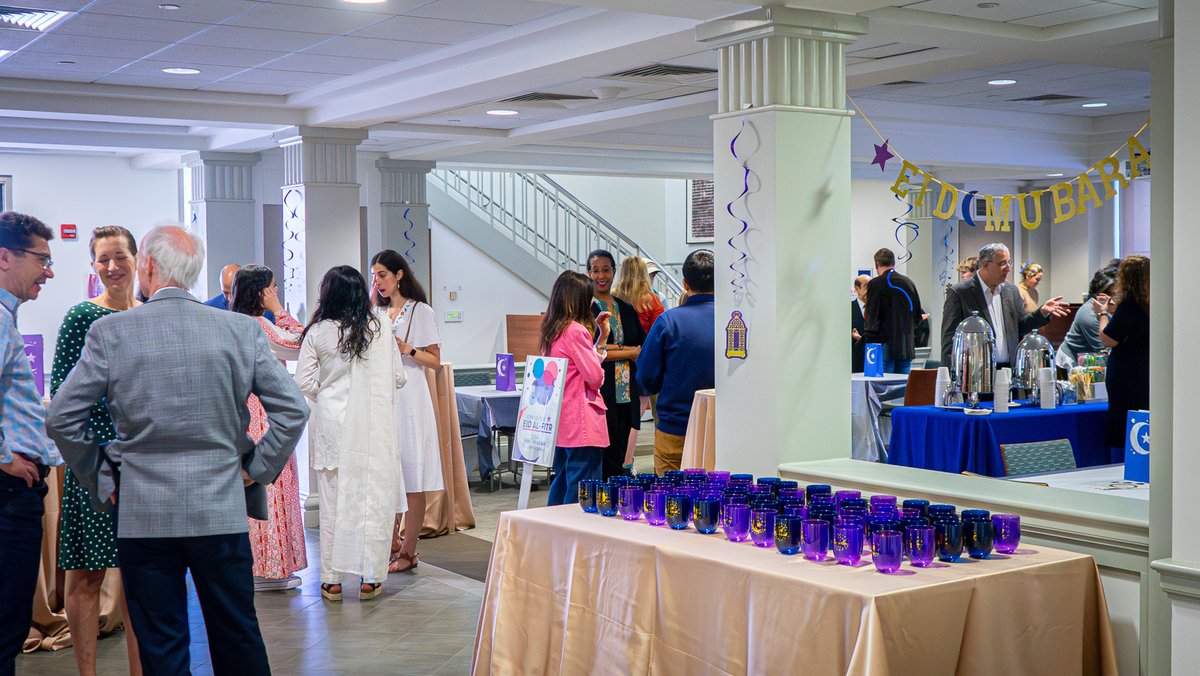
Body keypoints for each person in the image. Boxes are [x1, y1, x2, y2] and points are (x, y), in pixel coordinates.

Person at [47, 225, 309, 675]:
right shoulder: (240, 331)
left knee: (161, 643)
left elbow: (60, 418)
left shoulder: (111, 333)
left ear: (147, 265)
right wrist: (255, 469)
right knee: (237, 634)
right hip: (221, 509)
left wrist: (102, 477)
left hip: (143, 515)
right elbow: (293, 409)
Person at [50, 226, 142, 676]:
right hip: (94, 466)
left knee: (143, 582)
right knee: (87, 578)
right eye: (103, 259)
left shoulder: (149, 314)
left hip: (145, 468)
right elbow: (63, 399)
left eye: (119, 256)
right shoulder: (80, 318)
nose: (112, 267)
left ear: (137, 258)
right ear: (92, 265)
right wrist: (92, 464)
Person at [296, 266, 407, 602]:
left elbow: (303, 381)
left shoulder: (318, 331)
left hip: (331, 427)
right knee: (369, 503)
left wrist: (327, 394)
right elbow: (398, 378)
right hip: (371, 429)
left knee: (331, 506)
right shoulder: (380, 327)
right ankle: (370, 577)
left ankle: (330, 580)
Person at [0, 211, 62, 675]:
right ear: (5, 257)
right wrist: (5, 460)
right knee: (6, 627)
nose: (49, 270)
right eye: (42, 258)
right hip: (7, 496)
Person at [229, 265, 307, 592]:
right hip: (263, 412)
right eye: (273, 288)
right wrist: (279, 310)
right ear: (262, 291)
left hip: (245, 410)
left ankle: (259, 565)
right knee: (272, 484)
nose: (276, 293)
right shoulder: (260, 323)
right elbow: (300, 343)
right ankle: (269, 567)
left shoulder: (234, 322)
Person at [370, 249, 443, 574]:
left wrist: (406, 349)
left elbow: (434, 360)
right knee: (389, 475)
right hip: (384, 398)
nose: (378, 281)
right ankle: (390, 543)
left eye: (383, 274)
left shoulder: (420, 311)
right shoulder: (376, 312)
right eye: (374, 275)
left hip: (411, 399)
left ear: (399, 275)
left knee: (413, 475)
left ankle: (409, 548)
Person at [636, 249, 716, 474]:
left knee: (670, 501)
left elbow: (645, 378)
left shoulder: (668, 322)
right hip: (723, 430)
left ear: (684, 283)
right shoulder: (734, 323)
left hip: (675, 428)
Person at [940, 243, 1069, 368]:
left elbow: (1020, 326)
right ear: (986, 265)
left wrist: (1041, 313)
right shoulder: (961, 292)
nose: (1008, 268)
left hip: (1009, 370)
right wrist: (950, 378)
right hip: (976, 374)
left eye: (1009, 262)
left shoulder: (1011, 290)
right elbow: (949, 340)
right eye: (1003, 263)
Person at [543, 271, 609, 505]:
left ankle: (556, 536)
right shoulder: (575, 330)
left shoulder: (552, 329)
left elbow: (577, 368)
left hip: (563, 419)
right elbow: (594, 377)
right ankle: (576, 535)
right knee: (583, 486)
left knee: (562, 480)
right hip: (581, 421)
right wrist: (598, 349)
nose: (591, 302)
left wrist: (600, 342)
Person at [588, 250, 646, 479]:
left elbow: (640, 346)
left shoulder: (626, 308)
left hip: (626, 390)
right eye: (595, 270)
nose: (601, 275)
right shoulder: (585, 308)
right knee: (601, 451)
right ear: (588, 273)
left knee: (620, 445)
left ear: (614, 272)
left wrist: (619, 350)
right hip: (600, 390)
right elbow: (590, 351)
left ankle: (615, 499)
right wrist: (627, 351)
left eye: (605, 270)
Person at [1095, 255, 1150, 458]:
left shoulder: (1128, 307)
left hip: (1126, 377)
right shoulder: (1148, 307)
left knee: (1123, 423)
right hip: (1144, 373)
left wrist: (1102, 314)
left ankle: (1120, 463)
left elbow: (1108, 339)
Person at [613, 256, 664, 472]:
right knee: (638, 417)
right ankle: (629, 463)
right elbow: (660, 333)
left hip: (616, 364)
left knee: (619, 416)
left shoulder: (613, 298)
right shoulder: (651, 300)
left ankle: (621, 461)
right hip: (643, 363)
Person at [862, 248, 925, 374]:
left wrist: (866, 339)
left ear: (876, 265)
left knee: (884, 388)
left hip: (884, 346)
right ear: (894, 263)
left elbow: (872, 318)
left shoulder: (876, 284)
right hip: (906, 346)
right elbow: (917, 316)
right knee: (902, 388)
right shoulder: (908, 283)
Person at [1057, 262, 1119, 369]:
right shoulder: (1090, 315)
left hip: (1088, 361)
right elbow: (1105, 351)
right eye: (1119, 294)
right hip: (1071, 362)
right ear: (1103, 297)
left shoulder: (1111, 310)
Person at [851, 274, 869, 372]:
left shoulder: (878, 308)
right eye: (867, 286)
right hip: (855, 359)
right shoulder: (848, 308)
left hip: (874, 358)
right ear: (857, 289)